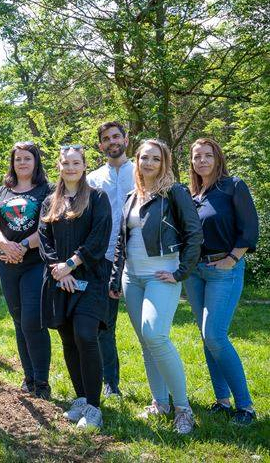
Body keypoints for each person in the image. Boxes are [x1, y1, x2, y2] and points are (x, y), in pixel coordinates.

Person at [110, 139, 202, 434]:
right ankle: (159, 402)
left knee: (155, 335)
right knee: (146, 344)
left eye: (155, 159)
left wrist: (180, 273)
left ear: (164, 163)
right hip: (132, 278)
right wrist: (116, 278)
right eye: (144, 158)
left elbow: (194, 233)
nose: (148, 163)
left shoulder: (174, 193)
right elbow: (122, 241)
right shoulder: (130, 196)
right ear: (136, 161)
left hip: (161, 276)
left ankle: (183, 409)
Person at [184, 138, 259, 426]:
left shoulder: (233, 186)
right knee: (206, 336)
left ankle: (245, 406)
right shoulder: (193, 194)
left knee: (215, 334)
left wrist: (232, 259)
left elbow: (250, 227)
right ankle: (222, 400)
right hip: (195, 272)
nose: (202, 160)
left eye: (207, 155)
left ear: (217, 157)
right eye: (196, 156)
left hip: (223, 268)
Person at [39, 144, 112, 430]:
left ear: (84, 166)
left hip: (90, 279)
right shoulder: (50, 202)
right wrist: (59, 270)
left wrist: (71, 264)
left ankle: (94, 408)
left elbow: (99, 236)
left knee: (85, 335)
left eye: (76, 163)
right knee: (68, 339)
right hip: (59, 280)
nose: (70, 168)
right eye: (66, 163)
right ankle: (80, 399)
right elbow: (44, 240)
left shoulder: (97, 198)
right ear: (59, 166)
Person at [0, 141, 53, 399]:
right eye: (18, 159)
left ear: (35, 161)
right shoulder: (0, 191)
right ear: (12, 162)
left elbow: (48, 227)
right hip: (7, 261)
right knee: (18, 320)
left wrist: (23, 246)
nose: (22, 163)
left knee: (32, 320)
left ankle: (42, 382)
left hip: (35, 262)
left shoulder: (47, 190)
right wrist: (5, 244)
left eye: (27, 158)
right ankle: (28, 378)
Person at [87, 121, 135, 398]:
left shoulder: (141, 171)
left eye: (116, 136)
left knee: (149, 329)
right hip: (105, 259)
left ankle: (162, 391)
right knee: (105, 324)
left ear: (126, 140)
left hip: (139, 258)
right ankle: (110, 382)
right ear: (100, 146)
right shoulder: (93, 179)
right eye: (106, 138)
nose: (112, 141)